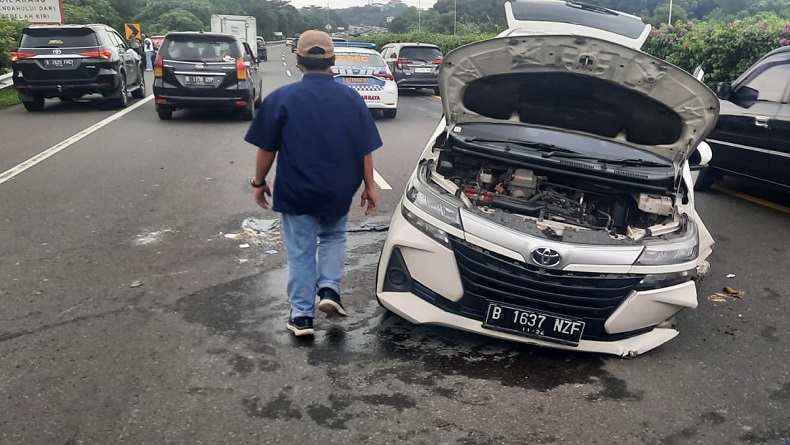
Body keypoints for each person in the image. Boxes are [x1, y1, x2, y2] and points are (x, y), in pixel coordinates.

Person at [244, 30, 382, 337]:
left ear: (298, 59)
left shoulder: (282, 98)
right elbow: (364, 149)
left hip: (296, 189)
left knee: (301, 251)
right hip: (339, 188)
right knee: (333, 237)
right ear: (333, 60)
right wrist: (369, 186)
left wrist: (258, 182)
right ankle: (330, 291)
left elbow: (267, 148)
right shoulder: (351, 99)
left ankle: (302, 316)